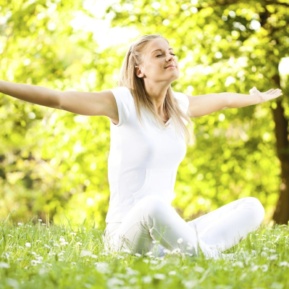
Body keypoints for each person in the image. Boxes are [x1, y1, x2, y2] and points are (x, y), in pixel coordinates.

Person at [0, 34, 282, 258]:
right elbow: (58, 99)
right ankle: (203, 254)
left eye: (171, 52)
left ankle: (191, 253)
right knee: (153, 206)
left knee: (251, 206)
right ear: (139, 69)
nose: (169, 57)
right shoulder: (122, 102)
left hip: (166, 234)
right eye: (159, 54)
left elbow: (223, 99)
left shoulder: (180, 106)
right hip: (126, 235)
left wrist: (254, 99)